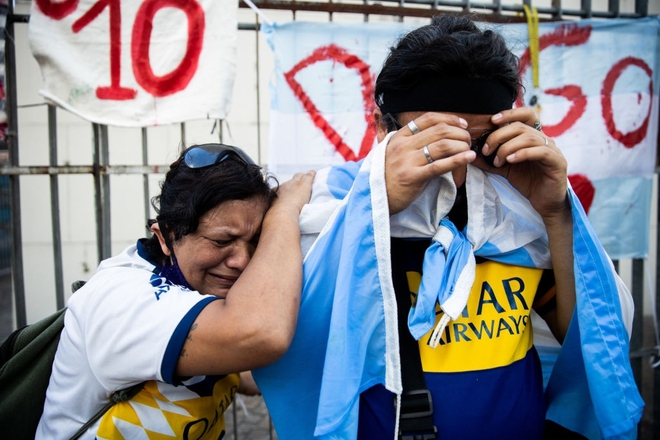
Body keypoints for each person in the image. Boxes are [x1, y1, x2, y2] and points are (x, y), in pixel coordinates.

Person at [252, 14, 642, 440]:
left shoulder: (518, 211)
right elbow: (280, 346)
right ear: (382, 130)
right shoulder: (325, 210)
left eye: (478, 147)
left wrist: (556, 213)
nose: (457, 171)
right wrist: (374, 212)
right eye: (434, 145)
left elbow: (591, 341)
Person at [36, 143, 314, 439]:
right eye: (221, 242)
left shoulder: (196, 287)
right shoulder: (122, 298)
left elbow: (238, 370)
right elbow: (260, 334)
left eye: (255, 241)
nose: (241, 261)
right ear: (167, 236)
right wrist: (283, 213)